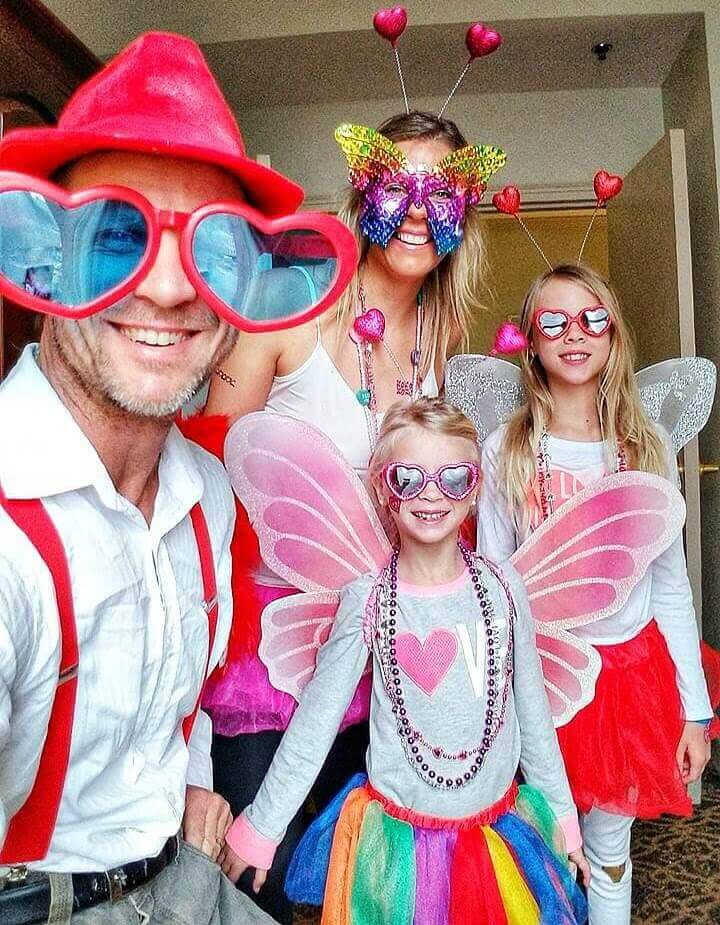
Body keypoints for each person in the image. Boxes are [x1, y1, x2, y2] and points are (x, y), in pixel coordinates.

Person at [0, 30, 355, 925]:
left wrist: (187, 785)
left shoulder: (210, 494)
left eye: (213, 247)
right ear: (44, 262)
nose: (165, 287)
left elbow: (177, 702)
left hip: (179, 874)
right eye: (117, 235)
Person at [192, 108, 505, 921]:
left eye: (439, 193)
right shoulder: (289, 305)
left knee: (352, 883)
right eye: (395, 184)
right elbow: (202, 489)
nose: (413, 209)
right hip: (270, 654)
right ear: (360, 187)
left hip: (383, 655)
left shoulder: (446, 330)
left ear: (463, 213)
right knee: (255, 876)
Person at [219, 397, 589, 924]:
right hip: (396, 851)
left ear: (476, 485)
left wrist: (565, 823)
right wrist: (263, 826)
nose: (432, 495)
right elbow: (316, 721)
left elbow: (534, 718)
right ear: (382, 490)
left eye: (453, 478)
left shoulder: (504, 589)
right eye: (408, 478)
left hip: (494, 840)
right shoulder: (369, 598)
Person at [476, 264, 715, 924]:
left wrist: (694, 709)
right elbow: (493, 583)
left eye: (591, 318)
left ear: (613, 334)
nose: (573, 334)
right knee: (545, 843)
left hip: (628, 683)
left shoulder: (647, 446)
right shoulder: (506, 449)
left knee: (610, 845)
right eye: (553, 321)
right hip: (542, 678)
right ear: (530, 339)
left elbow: (670, 584)